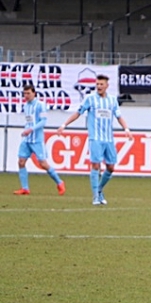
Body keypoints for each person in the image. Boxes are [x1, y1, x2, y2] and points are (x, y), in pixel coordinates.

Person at [57, 75, 132, 206]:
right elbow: (78, 113)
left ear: (107, 86)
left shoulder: (112, 100)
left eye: (101, 84)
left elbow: (119, 116)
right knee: (96, 165)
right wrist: (64, 125)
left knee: (111, 167)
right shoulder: (90, 99)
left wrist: (126, 129)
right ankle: (95, 196)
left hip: (108, 139)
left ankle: (99, 189)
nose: (99, 86)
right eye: (97, 84)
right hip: (95, 138)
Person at [13, 84, 65, 196]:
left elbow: (43, 121)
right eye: (24, 93)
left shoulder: (41, 105)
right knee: (21, 162)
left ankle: (60, 182)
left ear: (34, 93)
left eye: (28, 93)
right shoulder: (26, 106)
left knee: (43, 164)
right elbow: (29, 121)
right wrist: (26, 130)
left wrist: (31, 129)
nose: (26, 96)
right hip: (27, 139)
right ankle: (25, 188)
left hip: (37, 139)